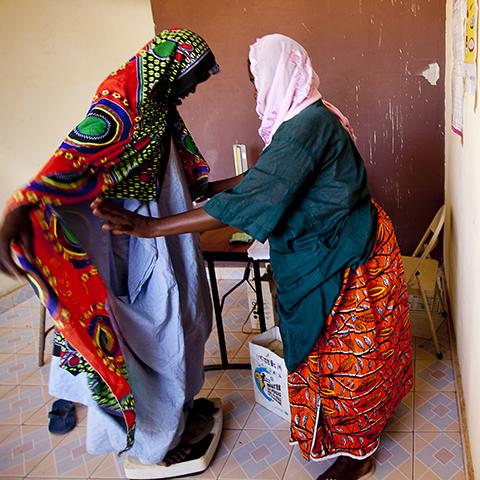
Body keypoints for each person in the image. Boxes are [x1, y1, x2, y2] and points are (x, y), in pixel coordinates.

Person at [92, 33, 413, 480]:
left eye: (255, 79)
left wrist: (151, 226)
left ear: (277, 74)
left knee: (345, 353)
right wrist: (214, 186)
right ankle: (346, 435)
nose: (254, 89)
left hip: (345, 255)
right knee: (342, 351)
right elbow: (265, 175)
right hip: (349, 240)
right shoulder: (310, 113)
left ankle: (357, 455)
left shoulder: (305, 130)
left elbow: (257, 198)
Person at [0, 28, 225, 466]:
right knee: (157, 334)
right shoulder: (120, 105)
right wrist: (20, 210)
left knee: (188, 321)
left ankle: (177, 412)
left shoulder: (159, 107)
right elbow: (68, 160)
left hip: (167, 234)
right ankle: (156, 442)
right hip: (137, 244)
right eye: (195, 76)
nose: (196, 87)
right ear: (172, 66)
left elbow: (183, 172)